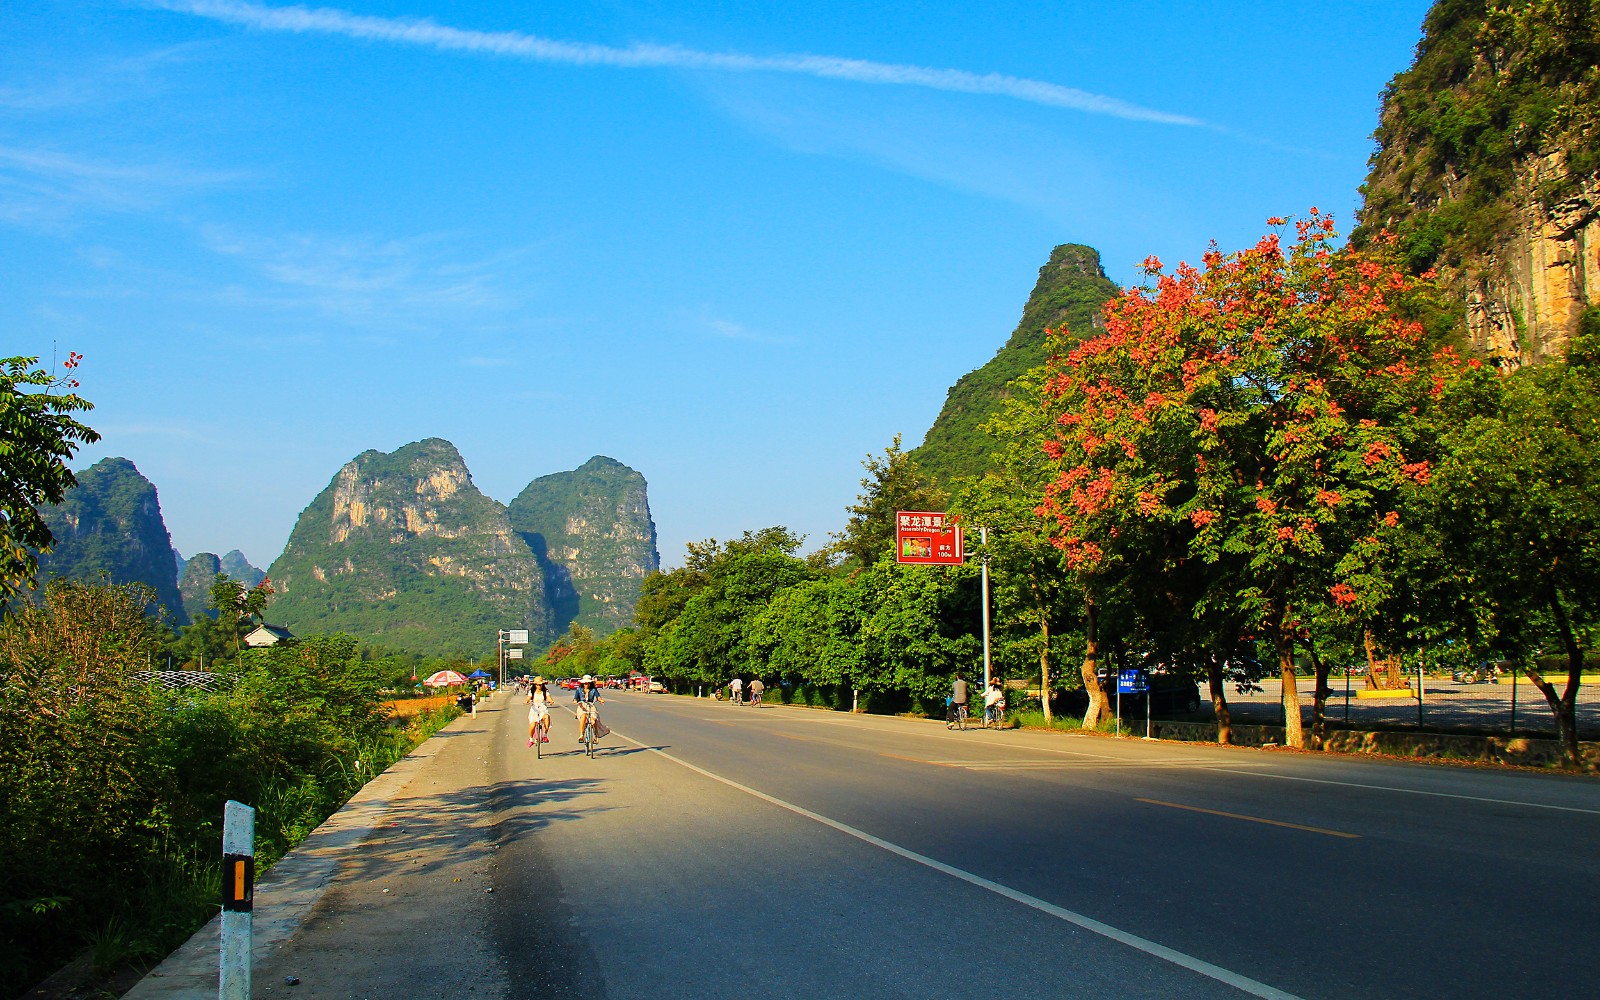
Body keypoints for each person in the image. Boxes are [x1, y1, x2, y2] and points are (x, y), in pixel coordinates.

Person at [574, 674, 604, 741]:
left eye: (588, 683)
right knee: (583, 716)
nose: (586, 685)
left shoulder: (593, 690)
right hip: (582, 706)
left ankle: (596, 736)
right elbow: (575, 698)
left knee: (594, 720)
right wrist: (575, 701)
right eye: (585, 683)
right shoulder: (579, 690)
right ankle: (581, 735)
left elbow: (598, 696)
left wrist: (600, 700)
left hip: (591, 706)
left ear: (590, 683)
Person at [527, 676, 554, 747]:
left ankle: (545, 735)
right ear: (535, 685)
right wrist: (526, 701)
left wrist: (551, 701)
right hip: (534, 709)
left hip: (543, 709)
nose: (539, 686)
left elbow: (549, 698)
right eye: (537, 685)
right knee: (532, 724)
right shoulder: (532, 691)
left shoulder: (545, 692)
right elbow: (528, 698)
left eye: (540, 684)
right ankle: (531, 739)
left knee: (547, 718)